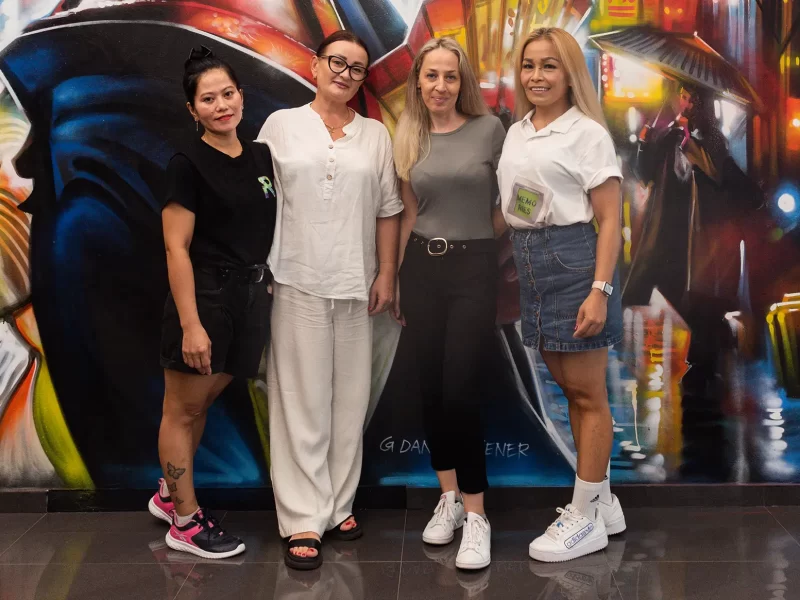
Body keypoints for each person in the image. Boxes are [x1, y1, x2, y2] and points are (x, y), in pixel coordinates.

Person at [257, 30, 403, 571]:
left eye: (357, 68)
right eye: (336, 62)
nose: (344, 72)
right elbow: (260, 198)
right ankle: (301, 517)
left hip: (356, 281)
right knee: (300, 400)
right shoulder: (281, 126)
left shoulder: (375, 137)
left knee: (349, 401)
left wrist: (386, 272)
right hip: (294, 278)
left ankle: (338, 505)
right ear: (316, 66)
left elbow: (389, 209)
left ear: (364, 79)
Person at [497, 27, 626, 563]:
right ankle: (603, 501)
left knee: (587, 394)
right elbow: (516, 203)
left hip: (574, 260)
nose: (537, 76)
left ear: (569, 73)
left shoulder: (588, 134)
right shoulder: (518, 130)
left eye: (549, 66)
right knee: (569, 388)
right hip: (531, 262)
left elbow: (612, 219)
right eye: (529, 66)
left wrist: (598, 291)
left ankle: (584, 518)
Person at [148, 46, 277, 559]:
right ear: (192, 110)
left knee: (200, 401)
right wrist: (190, 324)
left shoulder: (261, 156)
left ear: (241, 96)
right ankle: (183, 521)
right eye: (209, 99)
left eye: (228, 94)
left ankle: (168, 493)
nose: (222, 105)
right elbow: (175, 247)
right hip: (206, 295)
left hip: (250, 294)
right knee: (180, 409)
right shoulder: (187, 163)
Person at [391, 37, 505, 570]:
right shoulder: (408, 134)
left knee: (461, 390)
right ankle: (449, 499)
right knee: (432, 390)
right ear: (418, 80)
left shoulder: (490, 130)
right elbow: (409, 211)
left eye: (450, 77)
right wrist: (391, 276)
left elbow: (513, 200)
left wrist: (484, 240)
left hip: (473, 269)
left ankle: (477, 516)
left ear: (464, 83)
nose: (440, 85)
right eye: (431, 75)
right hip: (421, 268)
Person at [625, 84, 764, 479]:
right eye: (681, 96)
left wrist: (694, 144)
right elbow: (644, 173)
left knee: (705, 310)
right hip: (673, 246)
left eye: (690, 97)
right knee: (686, 309)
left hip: (706, 247)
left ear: (701, 104)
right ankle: (701, 374)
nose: (683, 103)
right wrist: (647, 138)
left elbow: (727, 179)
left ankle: (705, 380)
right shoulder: (669, 135)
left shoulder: (714, 142)